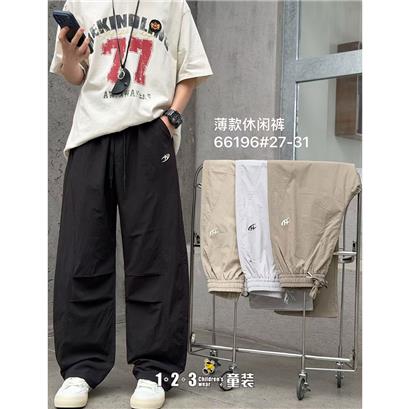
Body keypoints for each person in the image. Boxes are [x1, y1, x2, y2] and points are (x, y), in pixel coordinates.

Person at [49, 1, 213, 408]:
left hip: (148, 134)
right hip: (90, 135)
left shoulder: (172, 3)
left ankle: (155, 368)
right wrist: (69, 55)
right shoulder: (80, 2)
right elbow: (75, 75)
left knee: (155, 253)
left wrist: (170, 121)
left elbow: (190, 70)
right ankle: (80, 366)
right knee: (82, 252)